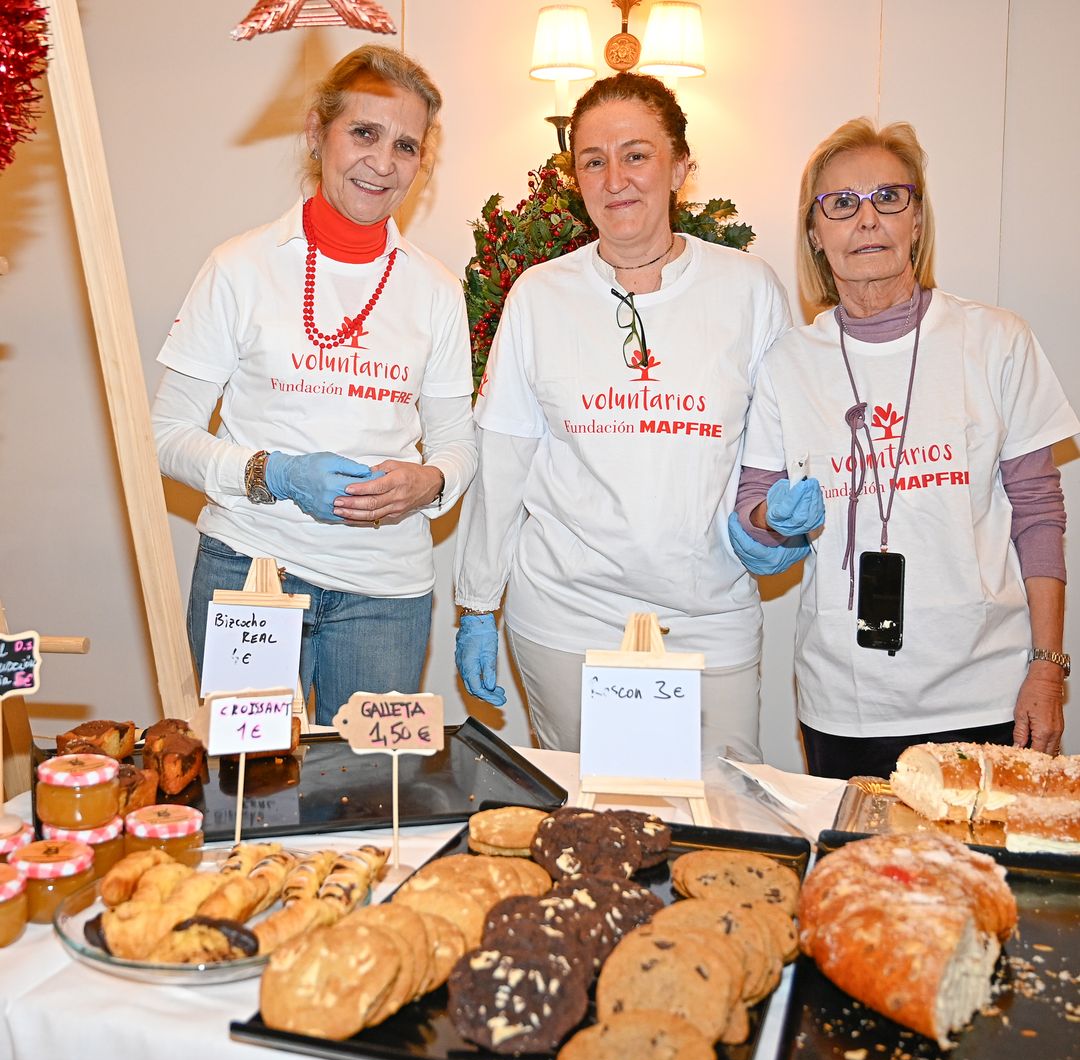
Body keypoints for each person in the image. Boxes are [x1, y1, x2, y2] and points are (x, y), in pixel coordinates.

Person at [453, 73, 791, 761]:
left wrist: (778, 528)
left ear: (680, 167)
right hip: (568, 616)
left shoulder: (748, 290)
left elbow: (778, 448)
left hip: (710, 612)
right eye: (593, 160)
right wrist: (477, 602)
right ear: (574, 177)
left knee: (721, 820)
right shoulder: (540, 297)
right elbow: (504, 458)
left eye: (636, 155)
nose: (616, 180)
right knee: (591, 821)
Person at [729, 118, 1079, 779]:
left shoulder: (995, 341)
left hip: (985, 689)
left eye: (889, 197)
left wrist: (1047, 668)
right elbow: (754, 511)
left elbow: (1039, 514)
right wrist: (770, 519)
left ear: (917, 219)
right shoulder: (788, 361)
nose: (867, 220)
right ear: (815, 232)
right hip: (846, 702)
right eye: (842, 204)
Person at [151, 46, 476, 726]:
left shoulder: (438, 291)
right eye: (364, 133)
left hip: (385, 596)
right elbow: (164, 436)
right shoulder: (240, 267)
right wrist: (276, 472)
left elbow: (456, 444)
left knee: (366, 802)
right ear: (316, 134)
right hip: (249, 575)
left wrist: (431, 483)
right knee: (246, 794)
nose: (383, 163)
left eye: (407, 145)